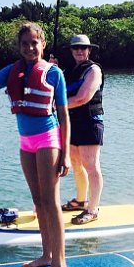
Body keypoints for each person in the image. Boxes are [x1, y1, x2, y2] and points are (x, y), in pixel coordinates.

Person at [0, 22, 71, 267]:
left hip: (48, 140)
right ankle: (46, 256)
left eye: (34, 43)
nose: (30, 47)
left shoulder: (55, 73)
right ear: (19, 46)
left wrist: (66, 154)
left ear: (42, 44)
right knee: (38, 202)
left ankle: (59, 265)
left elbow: (65, 117)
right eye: (25, 44)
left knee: (50, 201)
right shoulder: (11, 71)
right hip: (26, 143)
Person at [59, 34, 104, 225]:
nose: (79, 51)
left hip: (90, 122)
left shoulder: (93, 70)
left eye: (83, 48)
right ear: (71, 51)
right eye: (76, 48)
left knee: (91, 166)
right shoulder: (67, 71)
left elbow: (82, 98)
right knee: (76, 163)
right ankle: (80, 200)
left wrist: (55, 107)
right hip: (72, 122)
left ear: (89, 50)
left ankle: (92, 210)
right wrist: (52, 69)